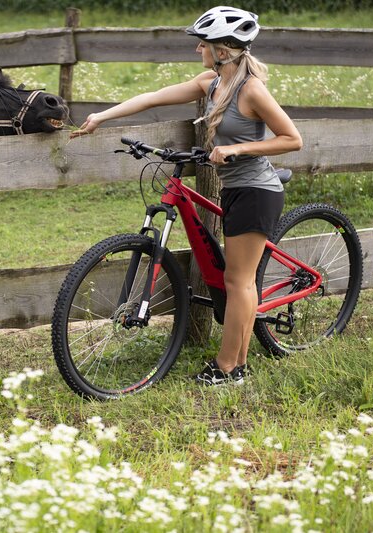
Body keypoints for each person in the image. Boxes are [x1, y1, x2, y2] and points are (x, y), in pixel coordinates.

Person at [69, 6, 303, 386]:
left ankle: (230, 368)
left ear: (223, 50)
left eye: (204, 43)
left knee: (238, 282)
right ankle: (237, 361)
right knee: (236, 279)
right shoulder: (211, 83)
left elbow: (293, 139)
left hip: (256, 190)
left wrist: (236, 150)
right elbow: (153, 97)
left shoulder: (252, 90)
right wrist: (102, 117)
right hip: (234, 188)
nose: (198, 48)